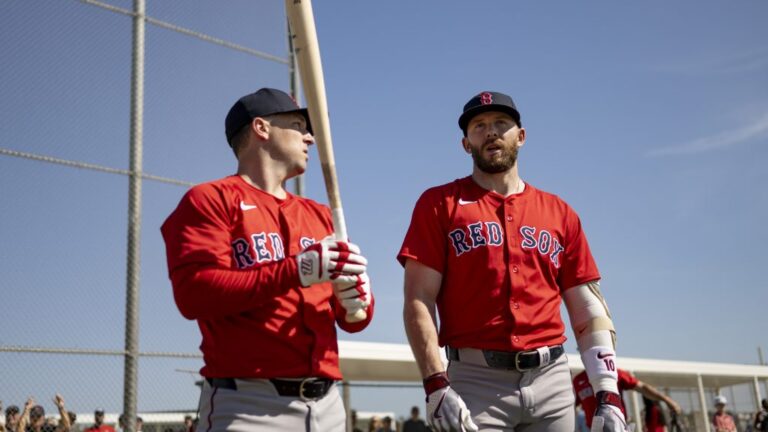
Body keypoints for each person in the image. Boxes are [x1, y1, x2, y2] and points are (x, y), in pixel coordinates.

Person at [400, 91, 628, 431]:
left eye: (501, 123)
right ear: (465, 144)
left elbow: (588, 309)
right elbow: (419, 299)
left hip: (552, 379)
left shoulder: (560, 212)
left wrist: (607, 392)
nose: (490, 132)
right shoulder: (439, 204)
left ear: (520, 136)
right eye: (479, 126)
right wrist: (435, 382)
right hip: (476, 383)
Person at [161, 87, 374, 432]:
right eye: (297, 125)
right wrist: (299, 269)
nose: (309, 138)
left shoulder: (320, 214)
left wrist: (356, 297)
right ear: (261, 128)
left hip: (330, 405)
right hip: (249, 405)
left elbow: (352, 320)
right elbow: (194, 294)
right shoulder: (210, 199)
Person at [572, 368, 682, 429]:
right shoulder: (578, 380)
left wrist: (667, 400)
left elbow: (642, 387)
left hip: (617, 427)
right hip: (591, 429)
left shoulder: (615, 373)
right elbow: (570, 406)